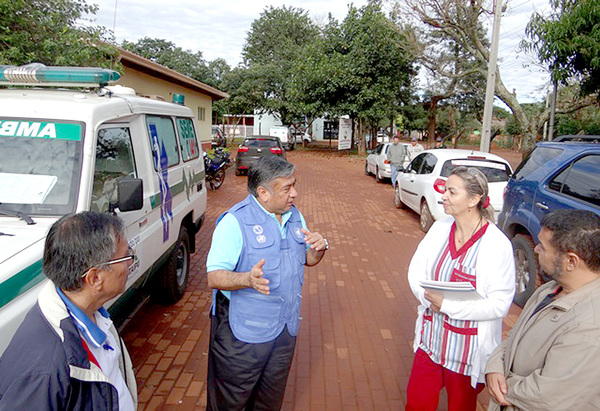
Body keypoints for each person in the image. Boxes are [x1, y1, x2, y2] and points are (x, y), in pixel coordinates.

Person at [206, 155, 328, 410]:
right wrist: (247, 279)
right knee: (231, 402)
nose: (294, 193)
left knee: (269, 401)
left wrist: (318, 249)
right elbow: (214, 276)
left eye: (294, 185)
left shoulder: (295, 216)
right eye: (287, 188)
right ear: (263, 192)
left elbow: (306, 259)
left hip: (284, 331)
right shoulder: (234, 222)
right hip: (242, 336)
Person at [0, 212, 137, 410]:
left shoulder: (93, 312)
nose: (130, 262)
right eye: (125, 256)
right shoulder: (45, 372)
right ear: (94, 278)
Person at [405, 166, 515, 411]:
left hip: (467, 353)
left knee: (461, 406)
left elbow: (499, 304)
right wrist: (424, 296)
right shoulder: (440, 229)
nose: (443, 196)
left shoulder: (497, 245)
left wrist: (448, 306)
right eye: (445, 190)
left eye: (452, 192)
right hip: (430, 344)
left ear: (474, 200)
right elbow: (416, 271)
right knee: (417, 403)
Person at [485, 210, 600, 411]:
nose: (536, 249)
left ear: (571, 261)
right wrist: (494, 367)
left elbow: (547, 396)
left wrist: (502, 385)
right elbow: (515, 336)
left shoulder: (590, 325)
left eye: (543, 247)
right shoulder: (549, 289)